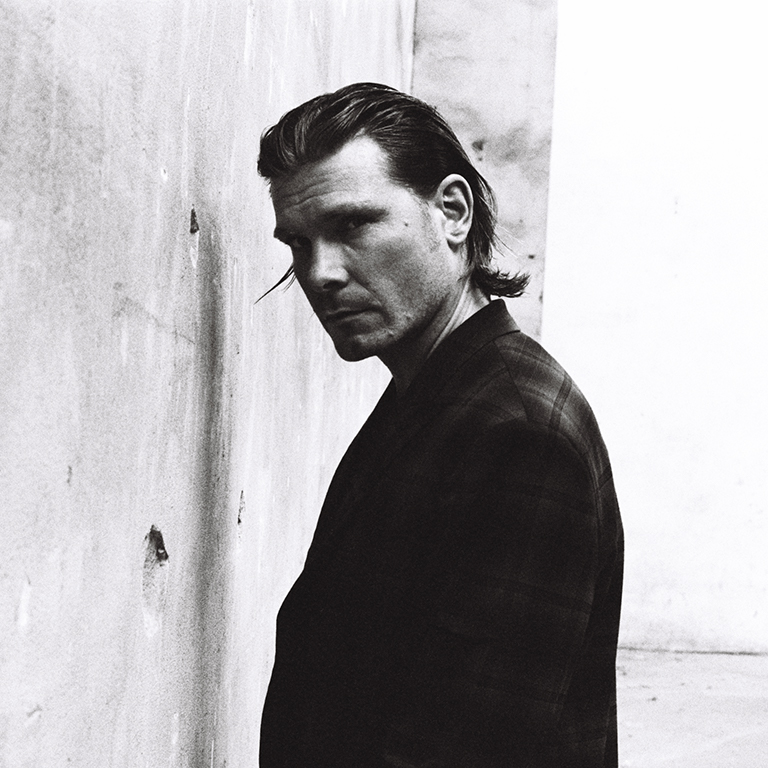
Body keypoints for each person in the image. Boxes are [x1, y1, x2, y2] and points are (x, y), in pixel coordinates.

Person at [257, 82, 623, 768]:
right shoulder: (436, 392)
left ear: (452, 212)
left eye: (353, 226)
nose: (320, 273)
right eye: (299, 243)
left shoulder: (516, 431)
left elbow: (474, 743)